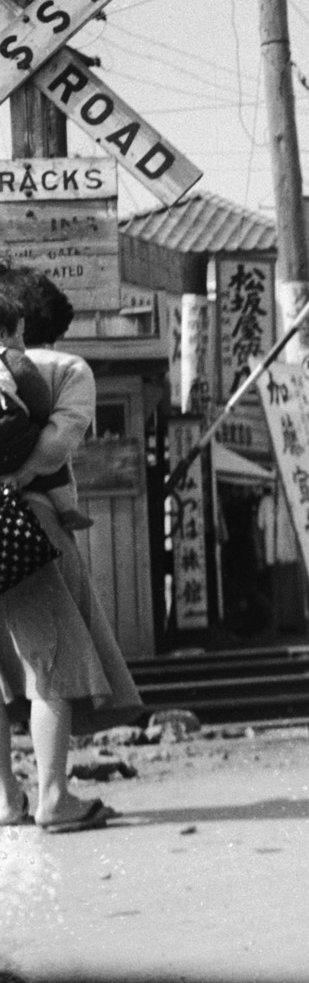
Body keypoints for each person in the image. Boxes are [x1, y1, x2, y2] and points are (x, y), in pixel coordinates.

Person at [0, 267, 140, 833]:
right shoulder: (62, 369)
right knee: (51, 660)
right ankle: (54, 796)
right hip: (19, 524)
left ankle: (6, 800)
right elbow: (55, 447)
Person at [0, 287, 92, 531]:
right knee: (43, 436)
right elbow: (57, 441)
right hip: (33, 513)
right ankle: (67, 510)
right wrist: (23, 475)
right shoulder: (70, 366)